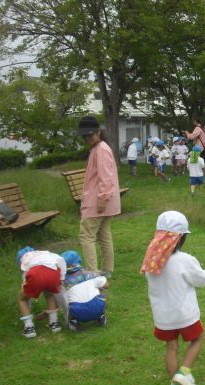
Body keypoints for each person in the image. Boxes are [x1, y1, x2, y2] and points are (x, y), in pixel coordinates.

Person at [142, 211, 205, 385]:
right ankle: (183, 373)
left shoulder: (151, 262)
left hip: (163, 317)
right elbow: (201, 280)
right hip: (185, 315)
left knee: (171, 347)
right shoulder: (185, 260)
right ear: (180, 238)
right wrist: (204, 274)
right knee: (197, 339)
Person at [77, 116, 121, 276]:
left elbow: (106, 177)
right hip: (102, 200)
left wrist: (102, 199)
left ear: (98, 131)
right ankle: (107, 270)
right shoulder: (100, 148)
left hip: (98, 201)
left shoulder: (101, 149)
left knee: (86, 236)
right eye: (85, 136)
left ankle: (91, 273)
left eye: (90, 135)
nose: (88, 138)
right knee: (103, 235)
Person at [16, 247, 66, 338]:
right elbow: (61, 260)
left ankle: (29, 328)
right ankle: (54, 324)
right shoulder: (46, 253)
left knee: (22, 298)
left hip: (35, 274)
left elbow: (26, 279)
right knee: (50, 295)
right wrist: (62, 278)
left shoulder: (25, 260)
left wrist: (28, 291)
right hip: (53, 272)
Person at [61, 250, 108, 331]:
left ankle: (73, 321)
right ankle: (101, 316)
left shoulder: (64, 282)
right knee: (100, 289)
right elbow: (106, 285)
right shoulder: (89, 274)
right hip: (97, 307)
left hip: (77, 311)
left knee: (67, 298)